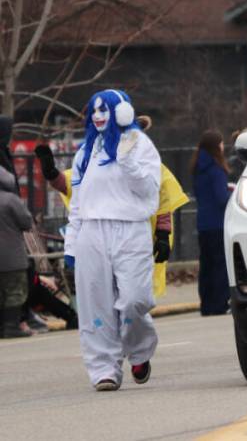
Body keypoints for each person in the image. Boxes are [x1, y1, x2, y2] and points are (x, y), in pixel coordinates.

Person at [64, 89, 162, 391]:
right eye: (93, 110)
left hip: (131, 228)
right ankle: (103, 369)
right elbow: (78, 201)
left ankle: (140, 349)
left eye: (104, 110)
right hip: (92, 231)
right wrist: (72, 243)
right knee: (96, 306)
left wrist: (127, 161)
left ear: (121, 112)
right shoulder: (86, 152)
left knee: (135, 299)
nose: (98, 116)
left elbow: (149, 191)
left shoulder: (140, 145)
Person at [35, 115, 188, 301]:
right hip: (106, 238)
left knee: (133, 295)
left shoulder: (146, 162)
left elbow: (162, 196)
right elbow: (74, 185)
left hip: (137, 237)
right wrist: (53, 174)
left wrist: (163, 234)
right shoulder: (96, 160)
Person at [192, 130, 231, 316]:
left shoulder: (197, 168)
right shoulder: (216, 169)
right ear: (216, 146)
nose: (223, 146)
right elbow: (221, 198)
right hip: (218, 223)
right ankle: (219, 303)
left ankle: (206, 303)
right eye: (221, 143)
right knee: (220, 265)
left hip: (203, 223)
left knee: (206, 266)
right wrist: (232, 193)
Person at [0, 164, 34, 338]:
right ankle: (11, 326)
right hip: (12, 257)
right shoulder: (11, 200)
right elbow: (27, 222)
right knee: (15, 292)